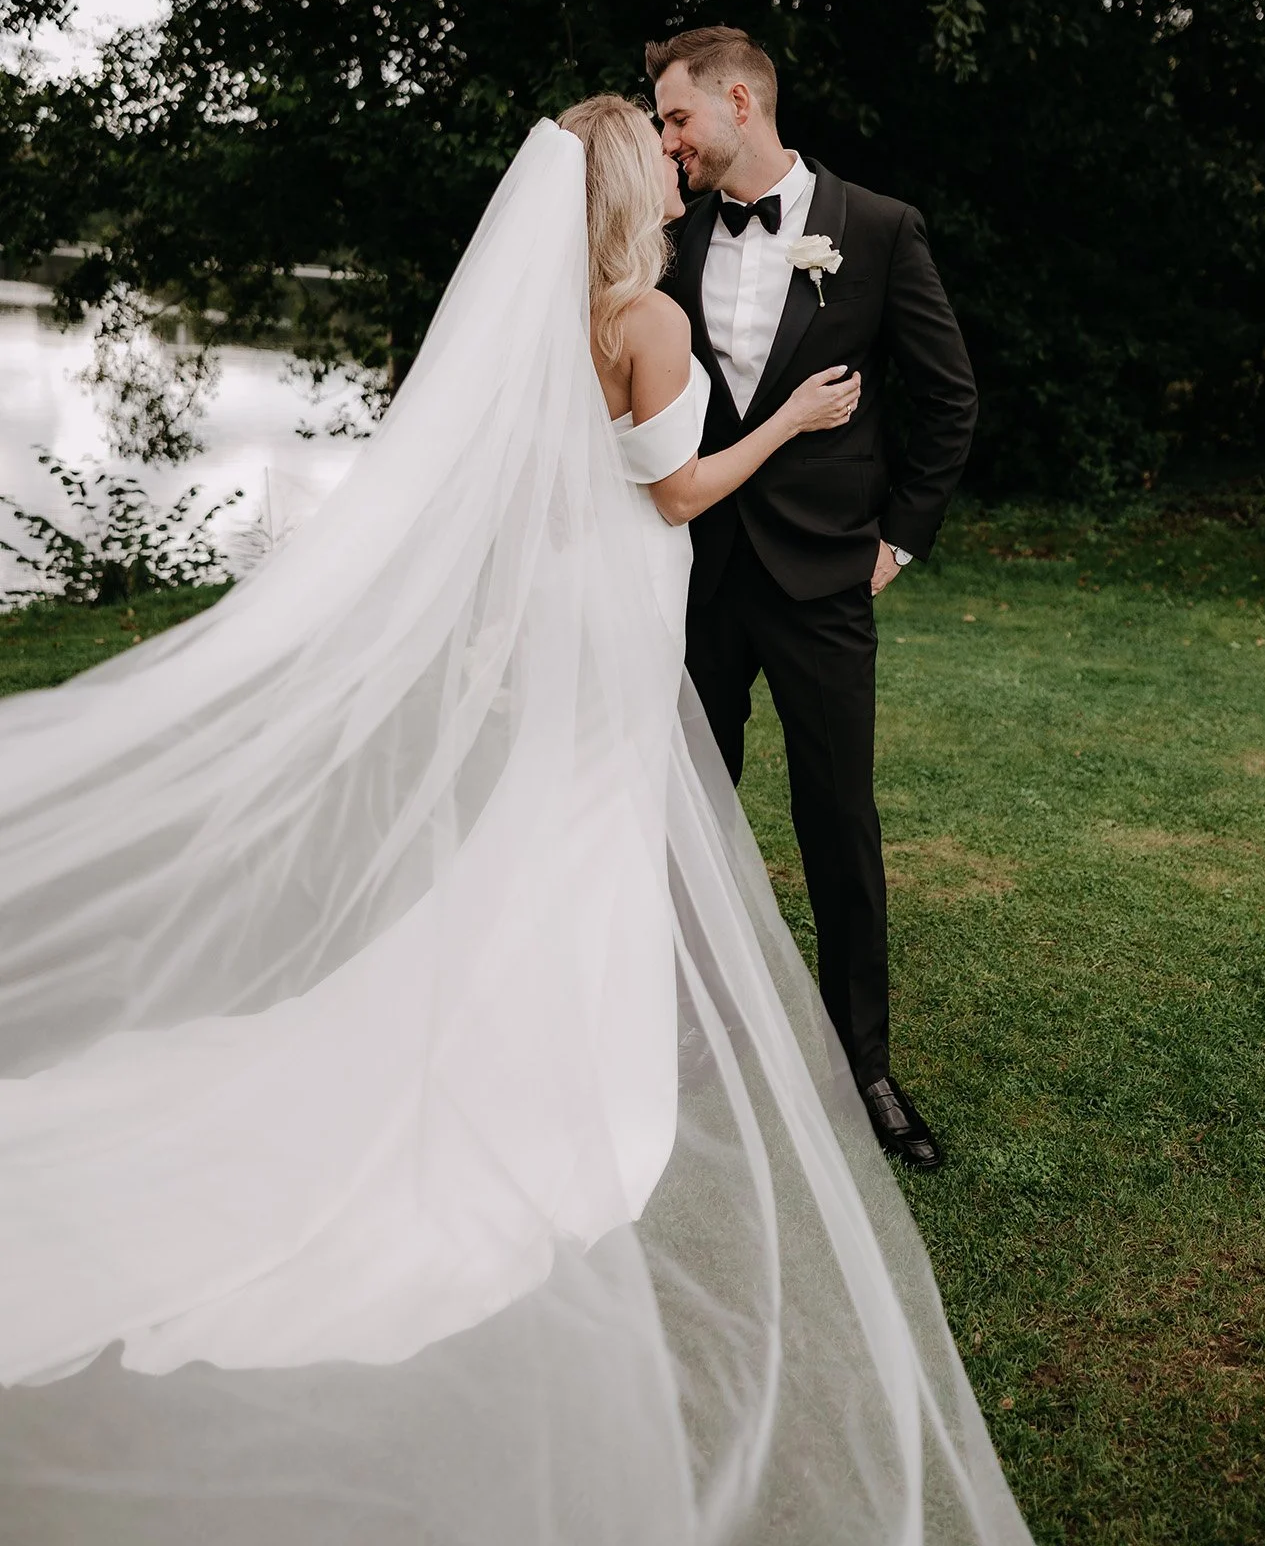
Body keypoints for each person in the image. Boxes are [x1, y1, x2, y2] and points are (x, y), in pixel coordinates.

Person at [0, 103, 1029, 1544]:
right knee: (589, 820)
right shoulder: (648, 318)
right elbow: (672, 493)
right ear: (624, 187)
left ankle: (560, 1034)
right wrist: (792, 421)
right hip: (622, 598)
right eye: (658, 161)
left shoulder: (562, 313)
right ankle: (565, 1075)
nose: (677, 172)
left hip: (571, 599)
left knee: (561, 819)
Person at [650, 27, 978, 1173]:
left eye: (677, 116)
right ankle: (683, 1038)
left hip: (825, 575)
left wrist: (900, 537)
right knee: (689, 812)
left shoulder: (876, 227)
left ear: (739, 101)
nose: (667, 139)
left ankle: (862, 1065)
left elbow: (947, 395)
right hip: (695, 571)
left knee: (837, 819)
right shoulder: (670, 236)